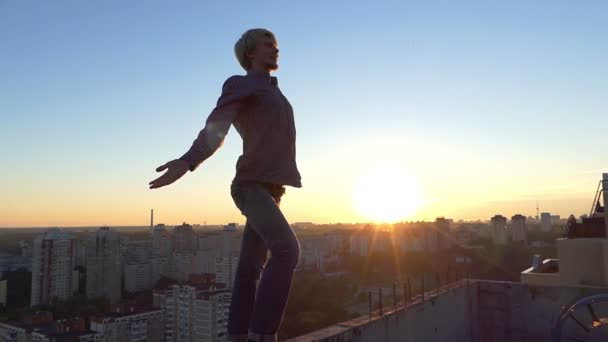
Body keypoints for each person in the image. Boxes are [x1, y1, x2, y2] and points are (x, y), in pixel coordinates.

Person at [149, 28, 302, 342]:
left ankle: (237, 336)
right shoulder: (241, 83)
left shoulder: (275, 91)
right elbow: (218, 127)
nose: (276, 50)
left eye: (276, 45)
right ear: (250, 53)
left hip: (272, 191)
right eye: (267, 45)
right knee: (287, 250)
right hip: (250, 186)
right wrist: (188, 160)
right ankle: (263, 335)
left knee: (249, 269)